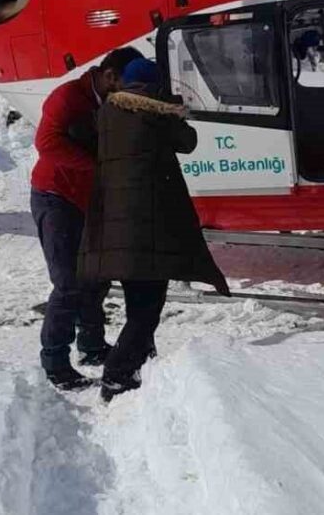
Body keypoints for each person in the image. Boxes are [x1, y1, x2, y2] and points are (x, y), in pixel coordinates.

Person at [78, 58, 230, 401]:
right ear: (153, 86)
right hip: (148, 226)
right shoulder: (155, 114)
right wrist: (174, 111)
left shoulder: (105, 114)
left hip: (114, 226)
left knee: (137, 301)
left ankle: (144, 362)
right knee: (148, 309)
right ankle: (117, 373)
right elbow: (188, 141)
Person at [31, 47, 143, 391]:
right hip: (56, 197)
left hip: (90, 200)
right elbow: (46, 143)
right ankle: (55, 362)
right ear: (110, 76)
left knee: (96, 277)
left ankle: (92, 347)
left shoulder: (111, 102)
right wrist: (98, 168)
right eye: (124, 86)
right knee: (68, 283)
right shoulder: (67, 97)